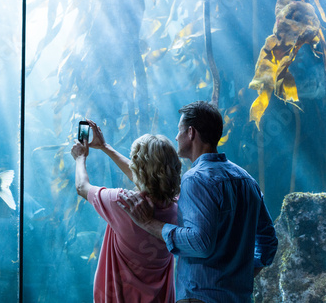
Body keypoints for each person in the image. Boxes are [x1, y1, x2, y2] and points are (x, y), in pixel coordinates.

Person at [118, 101, 278, 303]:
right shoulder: (247, 180)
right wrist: (240, 275)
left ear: (191, 132)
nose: (176, 137)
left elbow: (200, 242)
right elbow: (268, 242)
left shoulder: (196, 179)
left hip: (200, 297)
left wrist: (149, 223)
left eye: (179, 131)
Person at [71, 119, 181, 302]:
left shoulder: (122, 203)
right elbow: (148, 179)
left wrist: (80, 158)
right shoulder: (178, 208)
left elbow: (82, 187)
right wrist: (105, 147)